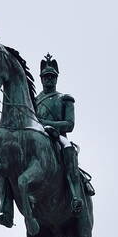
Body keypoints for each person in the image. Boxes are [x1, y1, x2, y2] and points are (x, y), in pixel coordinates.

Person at [36, 53, 90, 214]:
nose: (49, 79)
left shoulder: (65, 99)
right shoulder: (33, 100)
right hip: (36, 135)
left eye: (52, 76)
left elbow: (69, 125)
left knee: (68, 150)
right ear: (41, 78)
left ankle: (75, 196)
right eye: (46, 77)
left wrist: (47, 124)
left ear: (56, 78)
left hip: (58, 137)